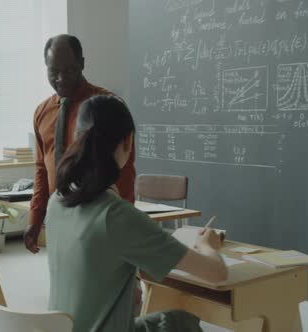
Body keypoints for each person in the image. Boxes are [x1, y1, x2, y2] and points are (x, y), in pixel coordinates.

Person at [45, 96, 227, 332]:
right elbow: (217, 273)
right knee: (181, 323)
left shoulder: (56, 201)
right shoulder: (116, 216)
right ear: (127, 142)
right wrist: (206, 245)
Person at [26, 34, 136, 253]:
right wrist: (35, 218)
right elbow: (41, 169)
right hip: (59, 215)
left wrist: (124, 221)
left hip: (98, 218)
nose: (60, 78)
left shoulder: (106, 106)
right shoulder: (42, 112)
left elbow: (124, 169)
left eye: (68, 70)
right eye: (53, 71)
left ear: (82, 64)